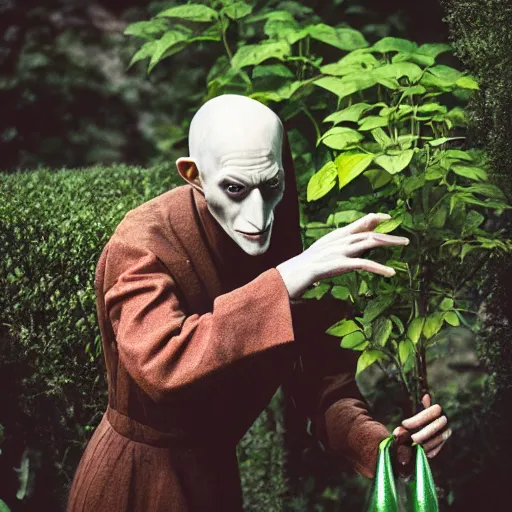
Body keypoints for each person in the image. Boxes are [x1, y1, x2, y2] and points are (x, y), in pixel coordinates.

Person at [68, 94, 451, 511]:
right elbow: (163, 364)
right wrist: (284, 282)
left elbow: (324, 388)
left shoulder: (284, 243)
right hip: (134, 487)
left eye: (271, 187)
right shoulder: (142, 243)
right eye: (234, 189)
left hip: (215, 482)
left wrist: (384, 449)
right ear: (193, 174)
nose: (258, 215)